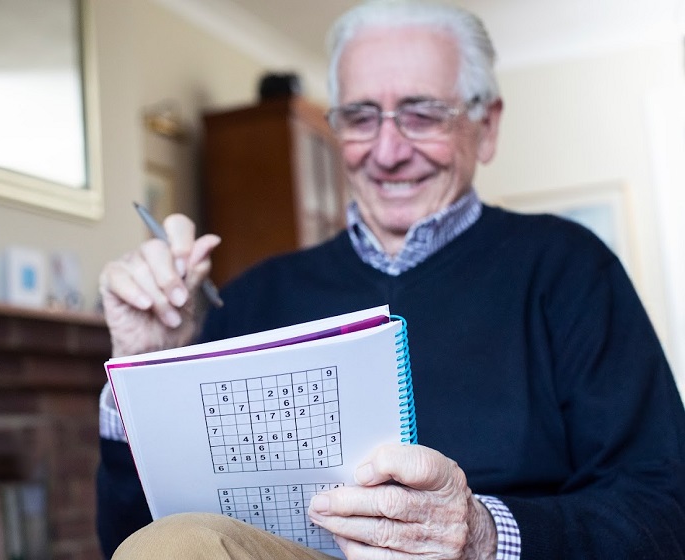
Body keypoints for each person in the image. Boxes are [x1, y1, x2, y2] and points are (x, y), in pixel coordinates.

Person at [96, 0, 685, 558]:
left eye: (423, 114)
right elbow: (135, 544)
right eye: (359, 117)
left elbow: (664, 514)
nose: (387, 150)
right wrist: (139, 376)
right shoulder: (253, 297)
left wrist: (483, 537)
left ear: (487, 125)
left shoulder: (571, 269)